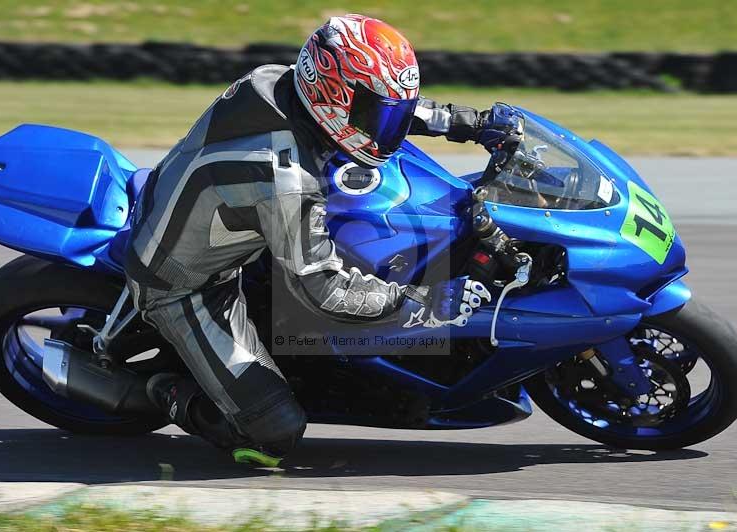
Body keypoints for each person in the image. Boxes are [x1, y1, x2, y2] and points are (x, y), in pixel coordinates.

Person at [125, 14, 522, 466]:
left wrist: (466, 123)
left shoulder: (279, 81)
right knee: (275, 433)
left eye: (392, 113)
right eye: (380, 116)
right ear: (334, 98)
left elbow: (378, 105)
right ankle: (161, 389)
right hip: (186, 283)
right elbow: (325, 290)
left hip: (220, 220)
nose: (389, 126)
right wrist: (429, 302)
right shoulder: (286, 180)